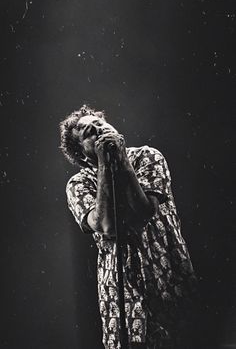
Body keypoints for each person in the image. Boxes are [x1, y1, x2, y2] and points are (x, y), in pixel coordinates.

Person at [60, 104, 197, 349]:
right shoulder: (78, 184)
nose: (99, 130)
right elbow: (106, 225)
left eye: (100, 124)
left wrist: (121, 160)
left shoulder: (148, 157)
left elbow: (146, 210)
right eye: (89, 132)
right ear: (81, 155)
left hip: (168, 278)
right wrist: (104, 165)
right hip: (123, 293)